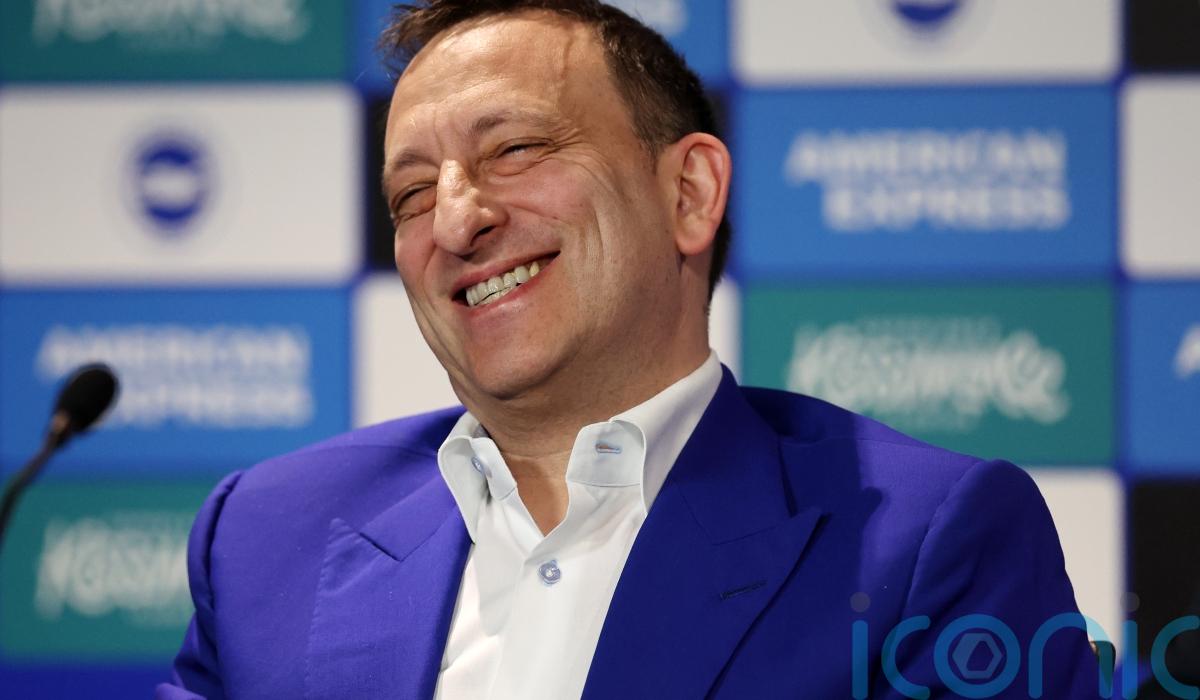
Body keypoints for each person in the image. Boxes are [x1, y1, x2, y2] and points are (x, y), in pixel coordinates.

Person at [157, 1, 1103, 698]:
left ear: (689, 194)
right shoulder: (265, 536)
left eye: (514, 151)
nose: (454, 220)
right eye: (410, 196)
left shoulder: (927, 542)